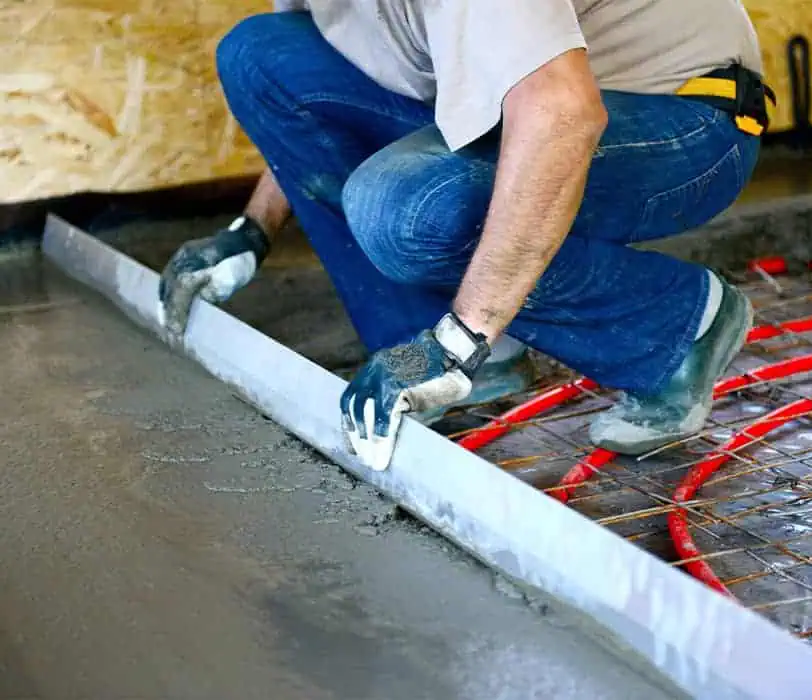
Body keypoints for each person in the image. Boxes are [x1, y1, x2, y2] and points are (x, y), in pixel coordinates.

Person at [158, 0, 773, 471]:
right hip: (521, 100)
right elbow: (318, 101)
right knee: (258, 56)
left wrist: (463, 335)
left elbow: (563, 114)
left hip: (682, 116)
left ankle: (675, 325)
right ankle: (443, 359)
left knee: (404, 211)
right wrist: (252, 229)